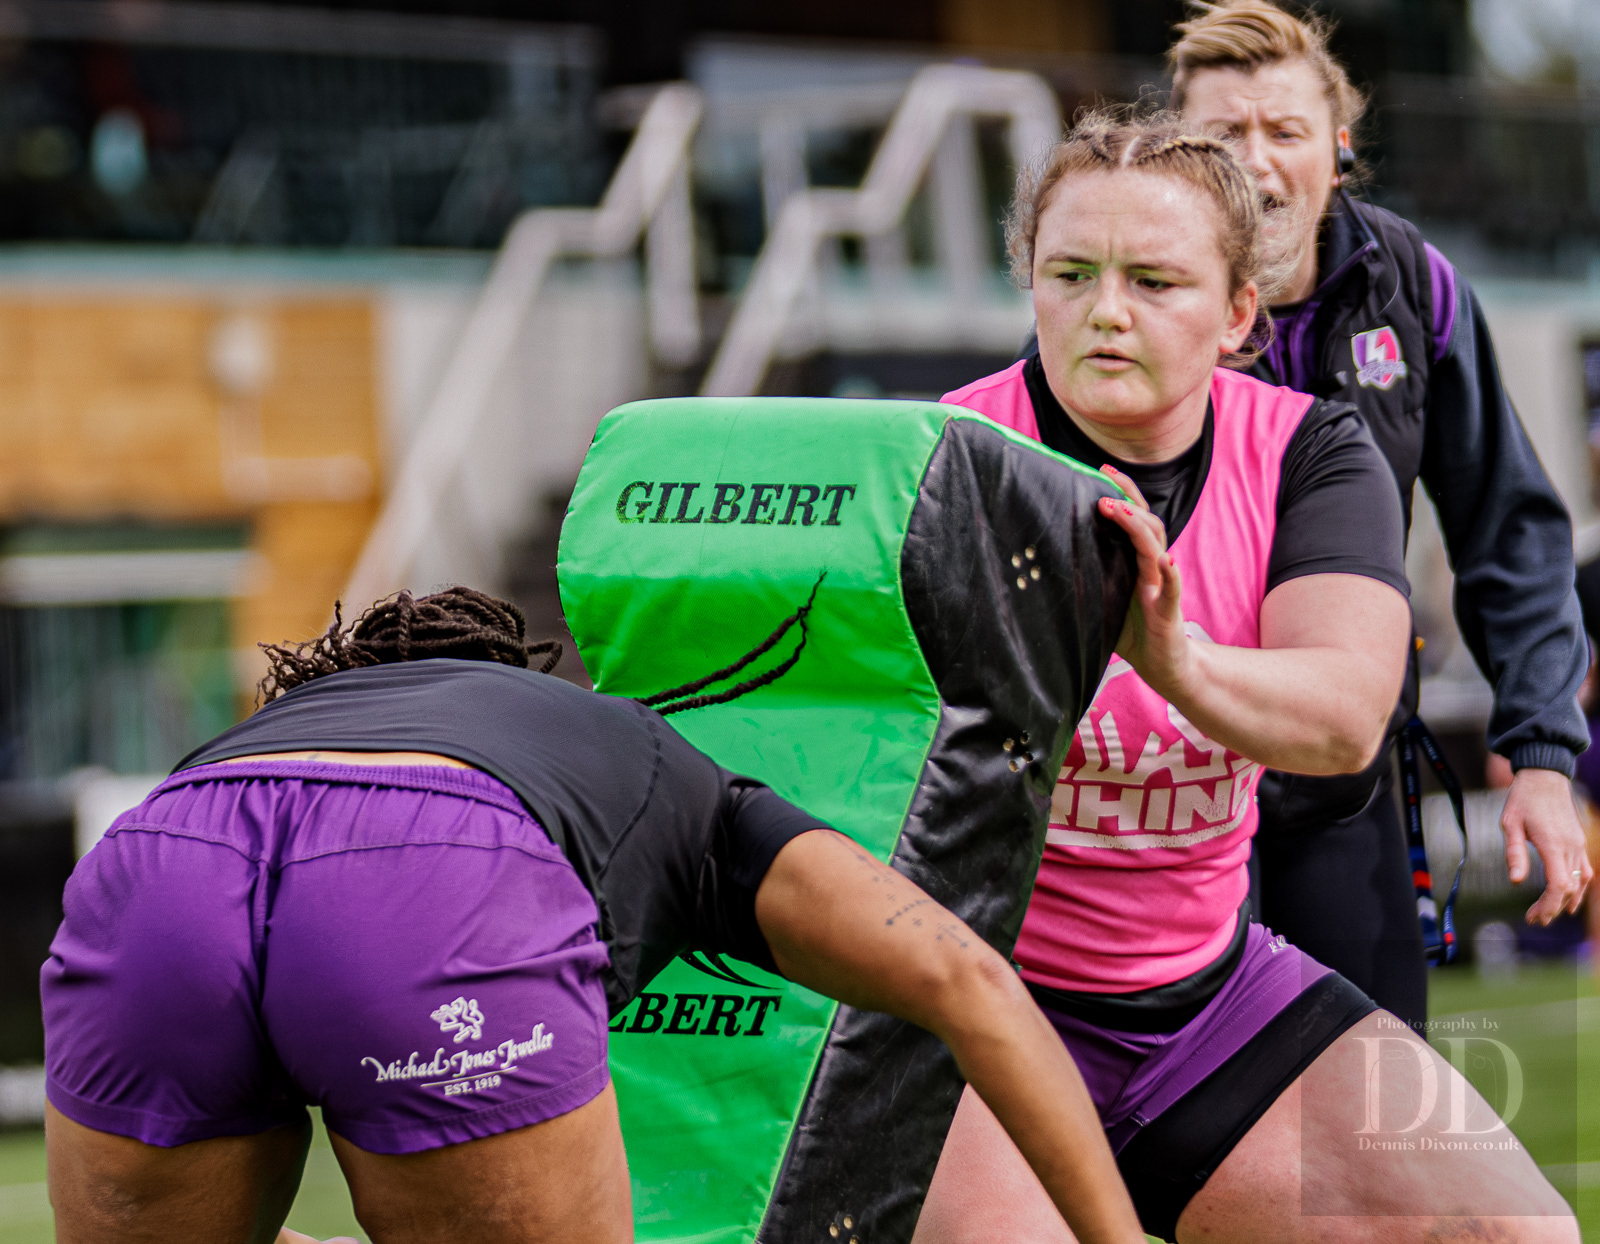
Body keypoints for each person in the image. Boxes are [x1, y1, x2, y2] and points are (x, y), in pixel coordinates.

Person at [917, 113, 1577, 1242]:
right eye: (1070, 274)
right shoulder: (935, 458)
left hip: (1206, 1002)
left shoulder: (1311, 449)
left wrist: (1173, 656)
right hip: (967, 1007)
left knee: (1519, 1231)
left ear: (1236, 315)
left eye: (1154, 280)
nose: (1106, 310)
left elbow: (1343, 720)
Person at [42, 588, 1146, 1244]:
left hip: (159, 860)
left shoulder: (254, 745)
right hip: (444, 866)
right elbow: (967, 979)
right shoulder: (634, 749)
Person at [1018, 0, 1594, 1031]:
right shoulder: (1104, 322)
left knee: (1367, 1104)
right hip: (1159, 798)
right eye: (1223, 133)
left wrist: (1544, 754)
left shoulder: (1416, 290)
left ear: (1339, 148)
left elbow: (1507, 530)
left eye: (1283, 130)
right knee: (1155, 1105)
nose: (1256, 159)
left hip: (1337, 786)